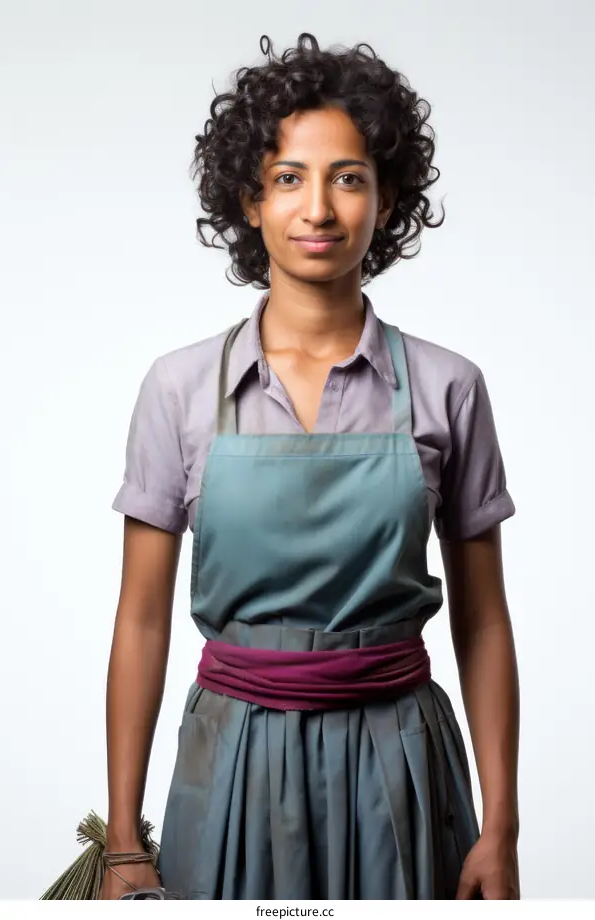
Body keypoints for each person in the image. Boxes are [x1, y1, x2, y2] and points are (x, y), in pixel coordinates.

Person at [98, 33, 520, 900]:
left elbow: (483, 625)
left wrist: (502, 827)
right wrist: (121, 840)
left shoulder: (451, 387)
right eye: (288, 177)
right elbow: (142, 622)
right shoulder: (177, 389)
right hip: (231, 763)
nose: (318, 208)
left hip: (403, 764)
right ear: (249, 201)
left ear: (387, 197)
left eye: (349, 177)